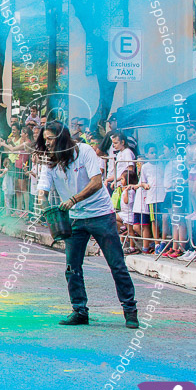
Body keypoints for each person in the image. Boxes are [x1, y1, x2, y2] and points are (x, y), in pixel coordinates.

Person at [36, 121, 138, 328]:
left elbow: (96, 182)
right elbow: (43, 190)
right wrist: (45, 206)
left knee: (116, 264)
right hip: (74, 219)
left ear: (62, 138)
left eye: (50, 139)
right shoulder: (50, 161)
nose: (47, 143)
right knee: (72, 267)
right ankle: (79, 310)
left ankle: (130, 310)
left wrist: (73, 199)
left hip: (101, 215)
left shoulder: (84, 151)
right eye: (44, 139)